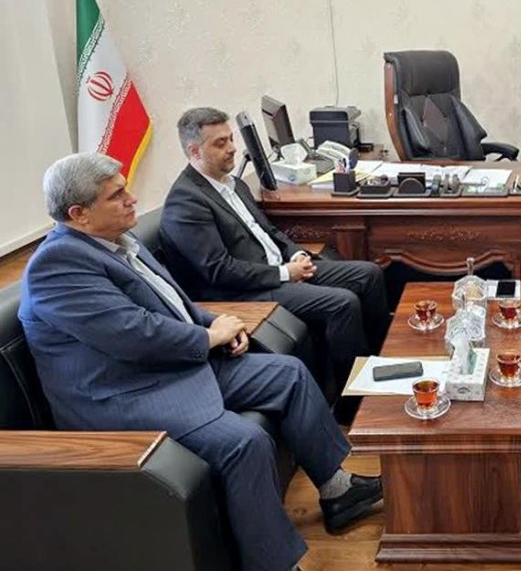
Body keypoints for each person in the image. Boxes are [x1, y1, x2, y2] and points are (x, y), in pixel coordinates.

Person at [18, 153, 384, 571]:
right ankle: (275, 564)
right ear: (78, 214)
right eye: (116, 195)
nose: (132, 198)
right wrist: (209, 337)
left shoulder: (118, 241)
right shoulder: (57, 266)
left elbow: (173, 303)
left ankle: (339, 491)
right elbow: (133, 334)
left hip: (167, 367)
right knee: (245, 442)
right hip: (123, 393)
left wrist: (217, 324)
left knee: (289, 374)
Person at [160, 107, 390, 420]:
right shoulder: (186, 202)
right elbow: (219, 270)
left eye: (231, 139)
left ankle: (380, 364)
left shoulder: (233, 184)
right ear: (194, 151)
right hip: (243, 291)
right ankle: (354, 406)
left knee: (369, 274)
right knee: (342, 303)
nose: (232, 148)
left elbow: (269, 232)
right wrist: (284, 273)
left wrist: (295, 254)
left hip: (279, 268)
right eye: (220, 143)